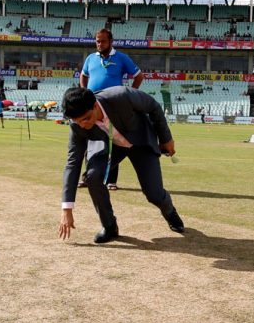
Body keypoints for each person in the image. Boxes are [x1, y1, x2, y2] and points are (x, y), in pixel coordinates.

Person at [58, 87, 185, 244]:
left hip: (141, 142)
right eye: (77, 121)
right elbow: (73, 162)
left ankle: (170, 212)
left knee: (154, 194)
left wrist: (166, 139)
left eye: (86, 118)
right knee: (92, 177)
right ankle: (109, 226)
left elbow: (153, 106)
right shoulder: (76, 125)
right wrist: (67, 208)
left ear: (95, 106)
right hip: (111, 148)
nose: (83, 125)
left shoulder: (121, 96)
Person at [78, 28, 144, 191]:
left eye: (103, 41)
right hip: (93, 108)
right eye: (97, 41)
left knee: (112, 143)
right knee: (90, 143)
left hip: (113, 108)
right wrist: (84, 92)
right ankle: (89, 177)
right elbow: (83, 75)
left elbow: (139, 76)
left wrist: (129, 95)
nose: (100, 44)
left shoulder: (121, 58)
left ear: (111, 41)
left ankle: (111, 181)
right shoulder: (90, 58)